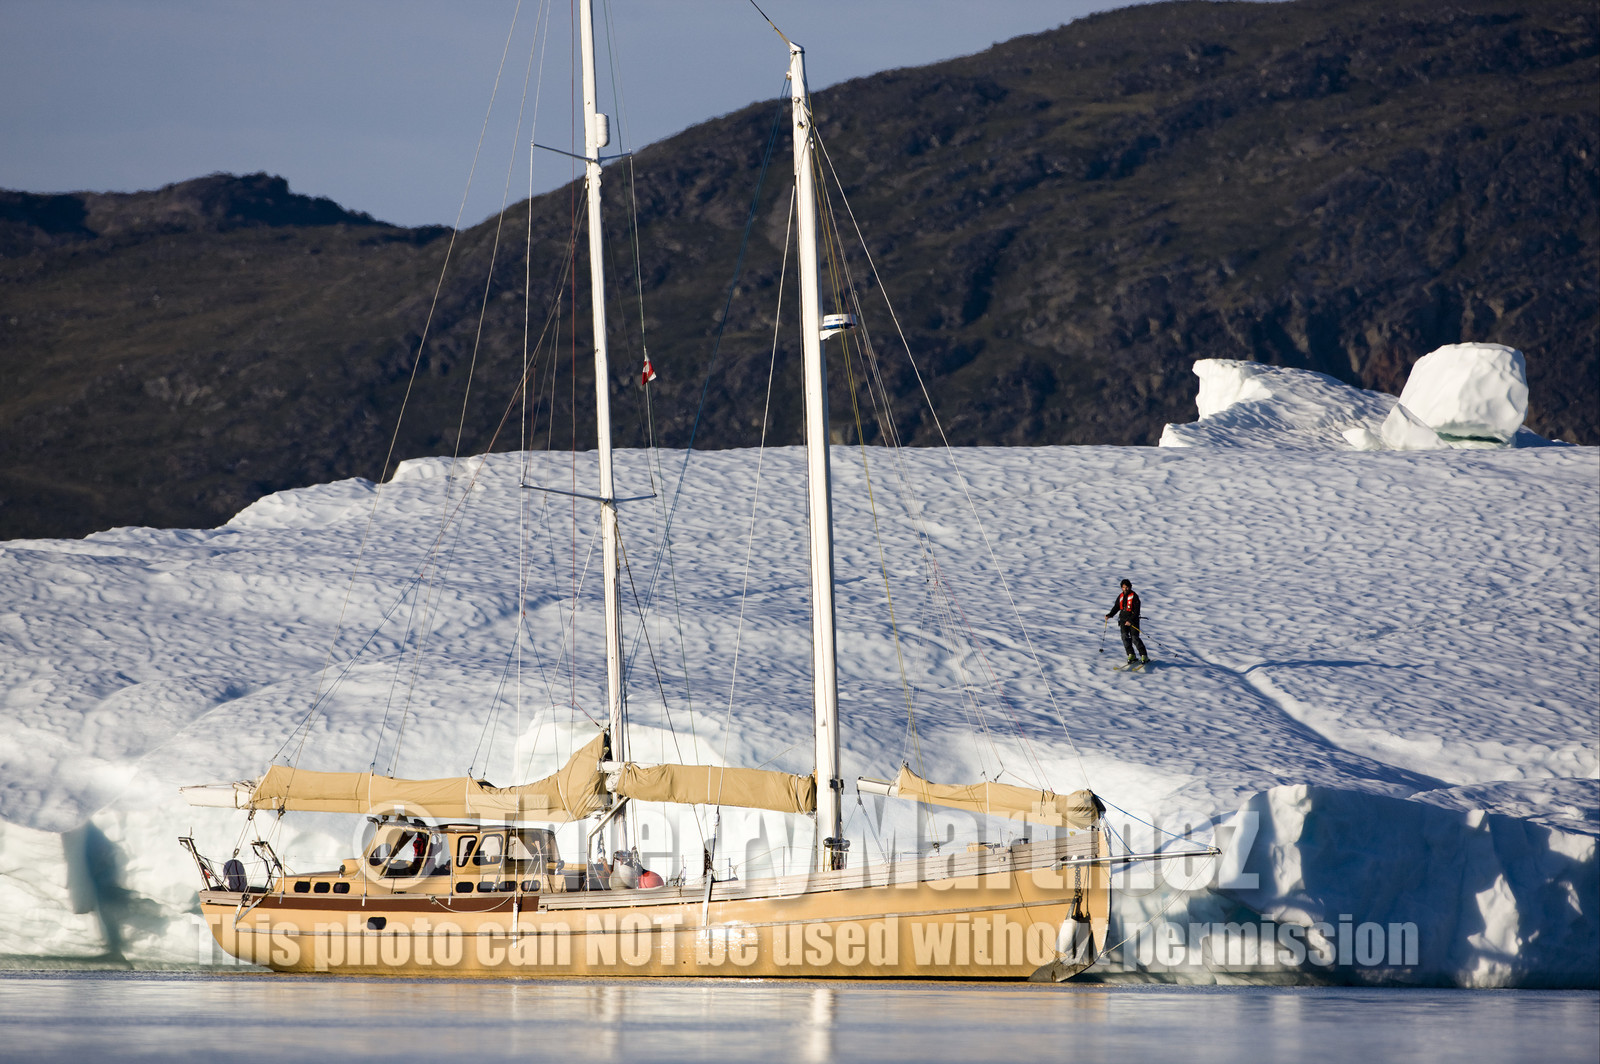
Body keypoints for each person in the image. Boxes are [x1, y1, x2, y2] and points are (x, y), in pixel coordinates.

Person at [1105, 579, 1148, 664]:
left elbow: (1136, 611)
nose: (1125, 589)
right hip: (1123, 620)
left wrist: (1130, 620)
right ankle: (1131, 654)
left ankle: (1144, 655)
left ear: (1130, 587)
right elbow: (1117, 607)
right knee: (1124, 637)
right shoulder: (1120, 596)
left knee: (1134, 638)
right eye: (1124, 587)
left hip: (1133, 620)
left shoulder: (1134, 596)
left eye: (1127, 587)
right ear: (1121, 588)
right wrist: (1110, 615)